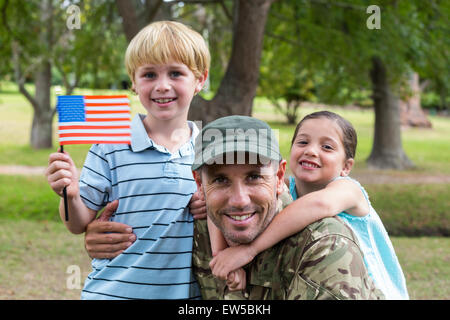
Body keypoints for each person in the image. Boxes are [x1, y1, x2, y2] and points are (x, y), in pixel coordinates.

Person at [45, 21, 209, 300]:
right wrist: (70, 194)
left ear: (200, 80)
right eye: (149, 74)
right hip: (113, 293)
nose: (162, 85)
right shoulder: (110, 145)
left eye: (175, 73)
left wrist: (212, 205)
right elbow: (77, 223)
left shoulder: (210, 150)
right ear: (133, 82)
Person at [207, 111, 409, 300]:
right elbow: (219, 204)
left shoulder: (349, 190)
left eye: (327, 147)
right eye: (303, 142)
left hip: (370, 288)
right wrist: (223, 257)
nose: (311, 151)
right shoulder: (284, 185)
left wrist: (248, 250)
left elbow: (318, 204)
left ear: (346, 166)